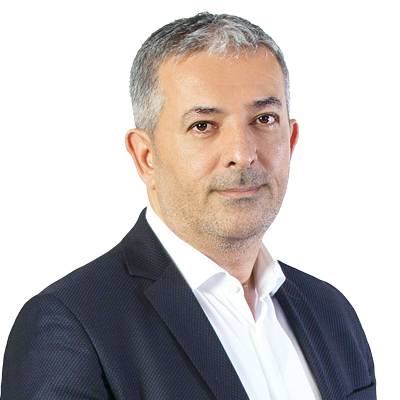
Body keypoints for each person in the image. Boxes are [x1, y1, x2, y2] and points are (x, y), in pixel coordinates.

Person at [1, 12, 376, 400]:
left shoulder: (332, 315)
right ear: (146, 156)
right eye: (203, 125)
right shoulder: (71, 329)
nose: (242, 153)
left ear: (291, 139)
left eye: (264, 119)